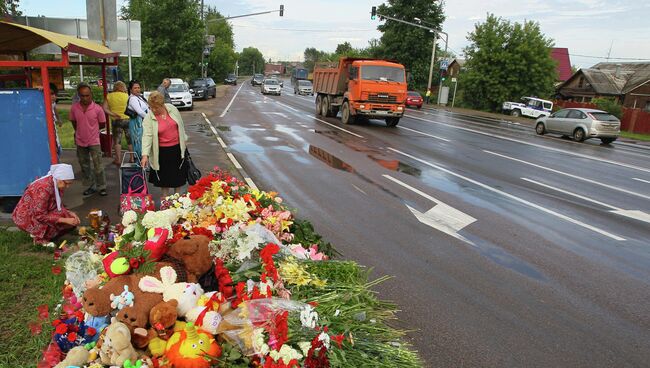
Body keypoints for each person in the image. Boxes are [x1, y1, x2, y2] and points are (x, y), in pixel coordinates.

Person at [12, 164, 80, 244]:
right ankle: (38, 238)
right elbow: (39, 215)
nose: (67, 186)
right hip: (27, 216)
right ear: (59, 179)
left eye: (70, 184)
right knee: (63, 220)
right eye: (67, 183)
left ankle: (48, 234)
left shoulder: (56, 183)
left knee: (68, 217)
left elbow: (57, 204)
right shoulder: (43, 189)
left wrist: (69, 213)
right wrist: (65, 220)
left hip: (42, 210)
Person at [141, 91, 188, 200]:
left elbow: (180, 125)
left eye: (156, 107)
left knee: (178, 177)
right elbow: (147, 136)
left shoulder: (172, 109)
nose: (153, 110)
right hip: (162, 151)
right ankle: (165, 200)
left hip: (177, 148)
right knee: (164, 179)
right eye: (151, 107)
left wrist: (184, 139)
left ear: (162, 105)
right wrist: (145, 155)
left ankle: (177, 199)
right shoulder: (149, 118)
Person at [70, 83, 107, 196]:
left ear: (91, 95)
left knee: (98, 165)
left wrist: (92, 130)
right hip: (80, 140)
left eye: (87, 95)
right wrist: (79, 132)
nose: (85, 98)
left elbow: (102, 124)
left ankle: (102, 186)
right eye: (82, 96)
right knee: (84, 165)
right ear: (79, 96)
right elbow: (74, 122)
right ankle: (92, 185)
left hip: (94, 141)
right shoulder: (74, 108)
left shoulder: (97, 109)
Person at [103, 81, 133, 165]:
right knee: (129, 140)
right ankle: (132, 158)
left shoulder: (109, 96)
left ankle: (118, 159)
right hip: (127, 119)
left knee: (117, 140)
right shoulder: (127, 96)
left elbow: (104, 108)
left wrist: (112, 114)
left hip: (116, 120)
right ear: (123, 87)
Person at [127, 80, 149, 161]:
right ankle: (139, 166)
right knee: (138, 143)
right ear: (131, 89)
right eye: (135, 88)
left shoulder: (140, 97)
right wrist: (149, 118)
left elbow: (147, 108)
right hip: (136, 123)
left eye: (138, 87)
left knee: (143, 143)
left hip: (142, 122)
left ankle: (143, 165)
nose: (137, 89)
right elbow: (139, 111)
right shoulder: (132, 99)